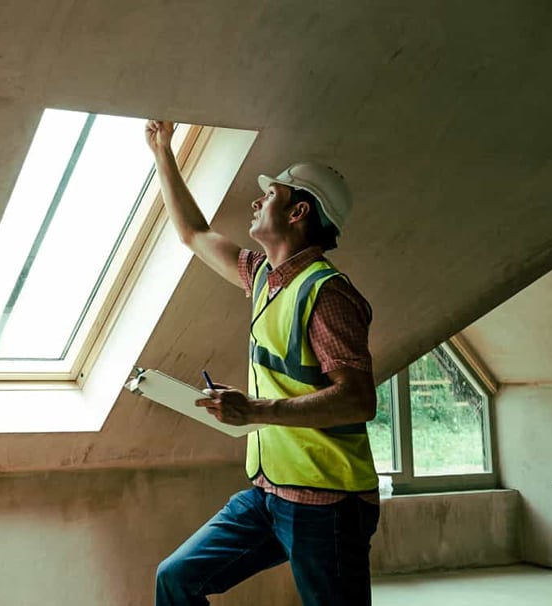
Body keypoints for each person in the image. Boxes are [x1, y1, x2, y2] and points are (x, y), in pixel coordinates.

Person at [144, 120, 381, 606]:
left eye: (268, 195)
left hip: (328, 503)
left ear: (297, 212)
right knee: (176, 578)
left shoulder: (327, 293)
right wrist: (162, 151)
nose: (255, 202)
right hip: (270, 494)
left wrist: (255, 411)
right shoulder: (264, 278)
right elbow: (194, 232)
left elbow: (358, 399)